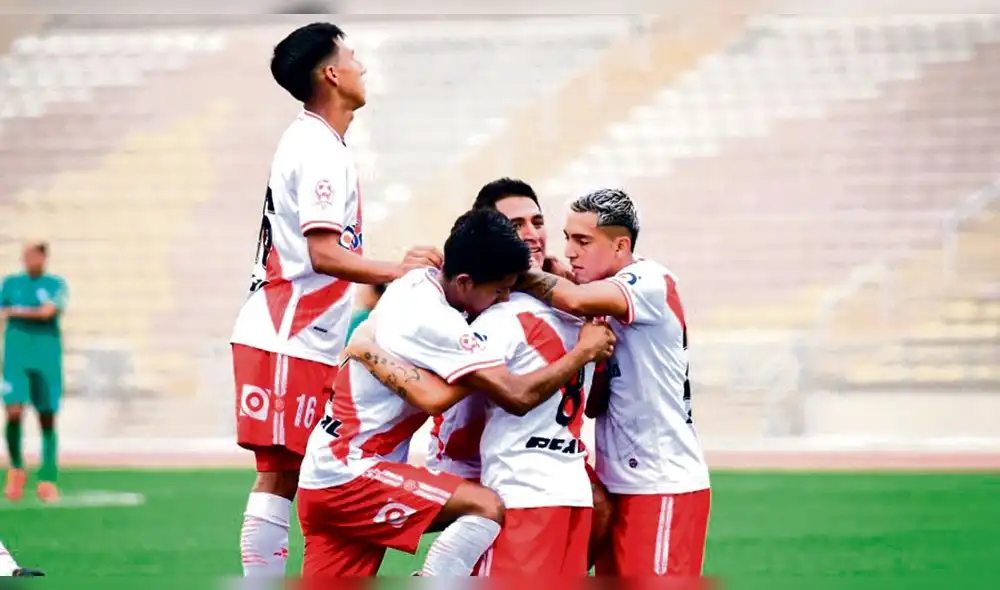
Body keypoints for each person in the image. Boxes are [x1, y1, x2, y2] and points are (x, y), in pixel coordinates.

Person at [296, 208, 616, 577]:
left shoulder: (418, 284)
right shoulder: (438, 321)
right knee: (484, 506)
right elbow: (504, 396)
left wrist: (367, 349)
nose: (503, 299)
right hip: (351, 473)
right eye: (498, 290)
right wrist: (583, 352)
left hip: (323, 471)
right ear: (464, 281)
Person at [229, 22, 440, 578]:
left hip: (307, 333)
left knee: (306, 473)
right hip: (286, 330)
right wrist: (400, 269)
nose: (361, 66)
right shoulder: (318, 149)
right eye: (351, 56)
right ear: (331, 74)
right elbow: (323, 253)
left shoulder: (320, 143)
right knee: (281, 475)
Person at [416, 177, 613, 572]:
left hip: (541, 484)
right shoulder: (484, 309)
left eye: (537, 222)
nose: (531, 234)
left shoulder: (570, 305)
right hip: (485, 472)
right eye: (515, 225)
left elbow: (593, 401)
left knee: (601, 504)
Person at [515, 188, 712, 577]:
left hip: (661, 483)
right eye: (567, 238)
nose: (569, 252)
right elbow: (594, 404)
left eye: (583, 241)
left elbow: (573, 298)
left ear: (621, 245)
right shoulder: (606, 301)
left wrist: (507, 267)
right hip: (619, 482)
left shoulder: (649, 281)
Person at [2, 241, 68, 504]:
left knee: (47, 418)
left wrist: (13, 311)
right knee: (13, 411)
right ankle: (17, 468)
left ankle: (48, 478)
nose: (28, 259)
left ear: (43, 257)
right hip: (16, 359)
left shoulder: (55, 284)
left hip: (46, 359)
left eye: (33, 255)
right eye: (26, 255)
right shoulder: (10, 284)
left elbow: (48, 312)